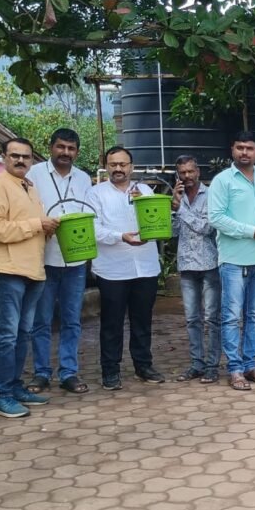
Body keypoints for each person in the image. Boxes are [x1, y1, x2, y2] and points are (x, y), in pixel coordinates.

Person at [0, 138, 58, 417]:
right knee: (7, 336)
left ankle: (14, 387)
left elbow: (30, 228)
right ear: (3, 157)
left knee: (23, 333)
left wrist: (46, 229)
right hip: (8, 270)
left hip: (33, 270)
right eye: (15, 155)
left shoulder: (29, 188)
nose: (21, 160)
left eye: (26, 156)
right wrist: (38, 224)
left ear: (32, 160)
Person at [208, 131, 255, 391]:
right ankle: (235, 369)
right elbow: (216, 218)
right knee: (231, 317)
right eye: (240, 147)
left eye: (249, 148)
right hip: (234, 260)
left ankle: (251, 365)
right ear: (232, 149)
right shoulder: (222, 181)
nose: (244, 152)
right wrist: (253, 232)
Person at [88, 146, 165, 390]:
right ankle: (110, 370)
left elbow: (156, 221)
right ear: (106, 167)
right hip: (113, 270)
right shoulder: (96, 194)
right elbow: (93, 229)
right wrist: (120, 236)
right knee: (112, 323)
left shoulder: (144, 190)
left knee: (142, 321)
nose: (118, 168)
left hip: (145, 267)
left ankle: (143, 366)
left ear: (131, 167)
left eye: (123, 164)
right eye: (113, 164)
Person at [27, 128, 93, 394]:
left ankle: (68, 372)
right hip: (44, 259)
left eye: (71, 148)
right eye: (61, 147)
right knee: (41, 321)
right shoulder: (33, 175)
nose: (66, 152)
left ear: (77, 151)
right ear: (51, 147)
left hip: (75, 262)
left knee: (72, 320)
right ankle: (41, 373)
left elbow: (89, 212)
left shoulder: (84, 178)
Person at [171, 154, 220, 384]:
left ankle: (212, 366)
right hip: (187, 265)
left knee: (212, 318)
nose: (187, 176)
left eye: (190, 171)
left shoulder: (211, 195)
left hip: (210, 264)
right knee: (192, 318)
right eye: (183, 172)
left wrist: (181, 210)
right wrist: (173, 208)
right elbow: (173, 232)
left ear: (198, 171)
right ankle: (196, 364)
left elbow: (207, 228)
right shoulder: (177, 198)